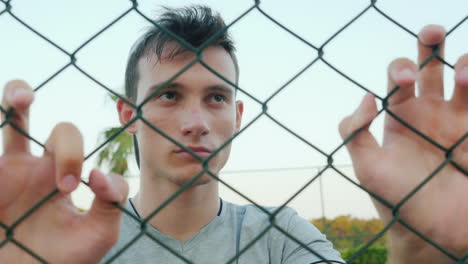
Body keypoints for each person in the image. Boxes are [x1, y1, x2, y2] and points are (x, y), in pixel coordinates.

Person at [0, 4, 466, 264]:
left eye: (216, 98)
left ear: (239, 114)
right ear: (128, 113)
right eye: (169, 96)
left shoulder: (279, 236)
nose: (196, 122)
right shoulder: (77, 248)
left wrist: (419, 249)